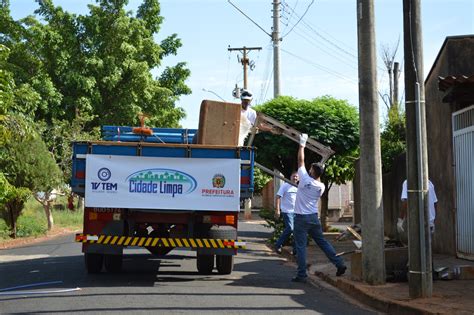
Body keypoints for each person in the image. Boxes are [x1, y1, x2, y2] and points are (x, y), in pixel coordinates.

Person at [292, 133, 347, 283]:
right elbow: (315, 174)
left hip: (301, 218)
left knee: (301, 246)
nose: (308, 170)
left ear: (312, 172)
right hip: (313, 218)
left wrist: (302, 144)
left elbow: (300, 160)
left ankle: (302, 274)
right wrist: (318, 167)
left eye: (310, 169)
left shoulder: (303, 179)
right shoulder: (320, 186)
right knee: (322, 242)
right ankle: (339, 263)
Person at [274, 171, 299, 255]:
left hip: (297, 212)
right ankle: (277, 244)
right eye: (293, 176)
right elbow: (278, 197)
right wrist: (277, 210)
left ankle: (295, 250)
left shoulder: (299, 187)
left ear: (298, 178)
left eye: (296, 177)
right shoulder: (285, 186)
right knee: (290, 228)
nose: (295, 178)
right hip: (287, 211)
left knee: (297, 231)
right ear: (290, 177)